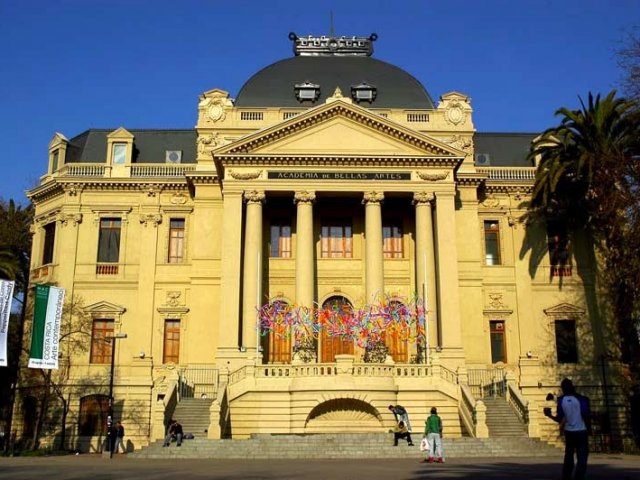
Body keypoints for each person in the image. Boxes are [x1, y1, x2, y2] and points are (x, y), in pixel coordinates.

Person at [544, 378, 590, 480]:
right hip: (581, 430)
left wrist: (549, 415)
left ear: (563, 389)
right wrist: (589, 428)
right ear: (572, 387)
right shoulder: (581, 399)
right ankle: (579, 476)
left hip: (569, 432)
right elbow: (586, 414)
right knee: (582, 456)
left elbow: (559, 419)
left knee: (569, 455)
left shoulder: (561, 400)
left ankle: (567, 475)